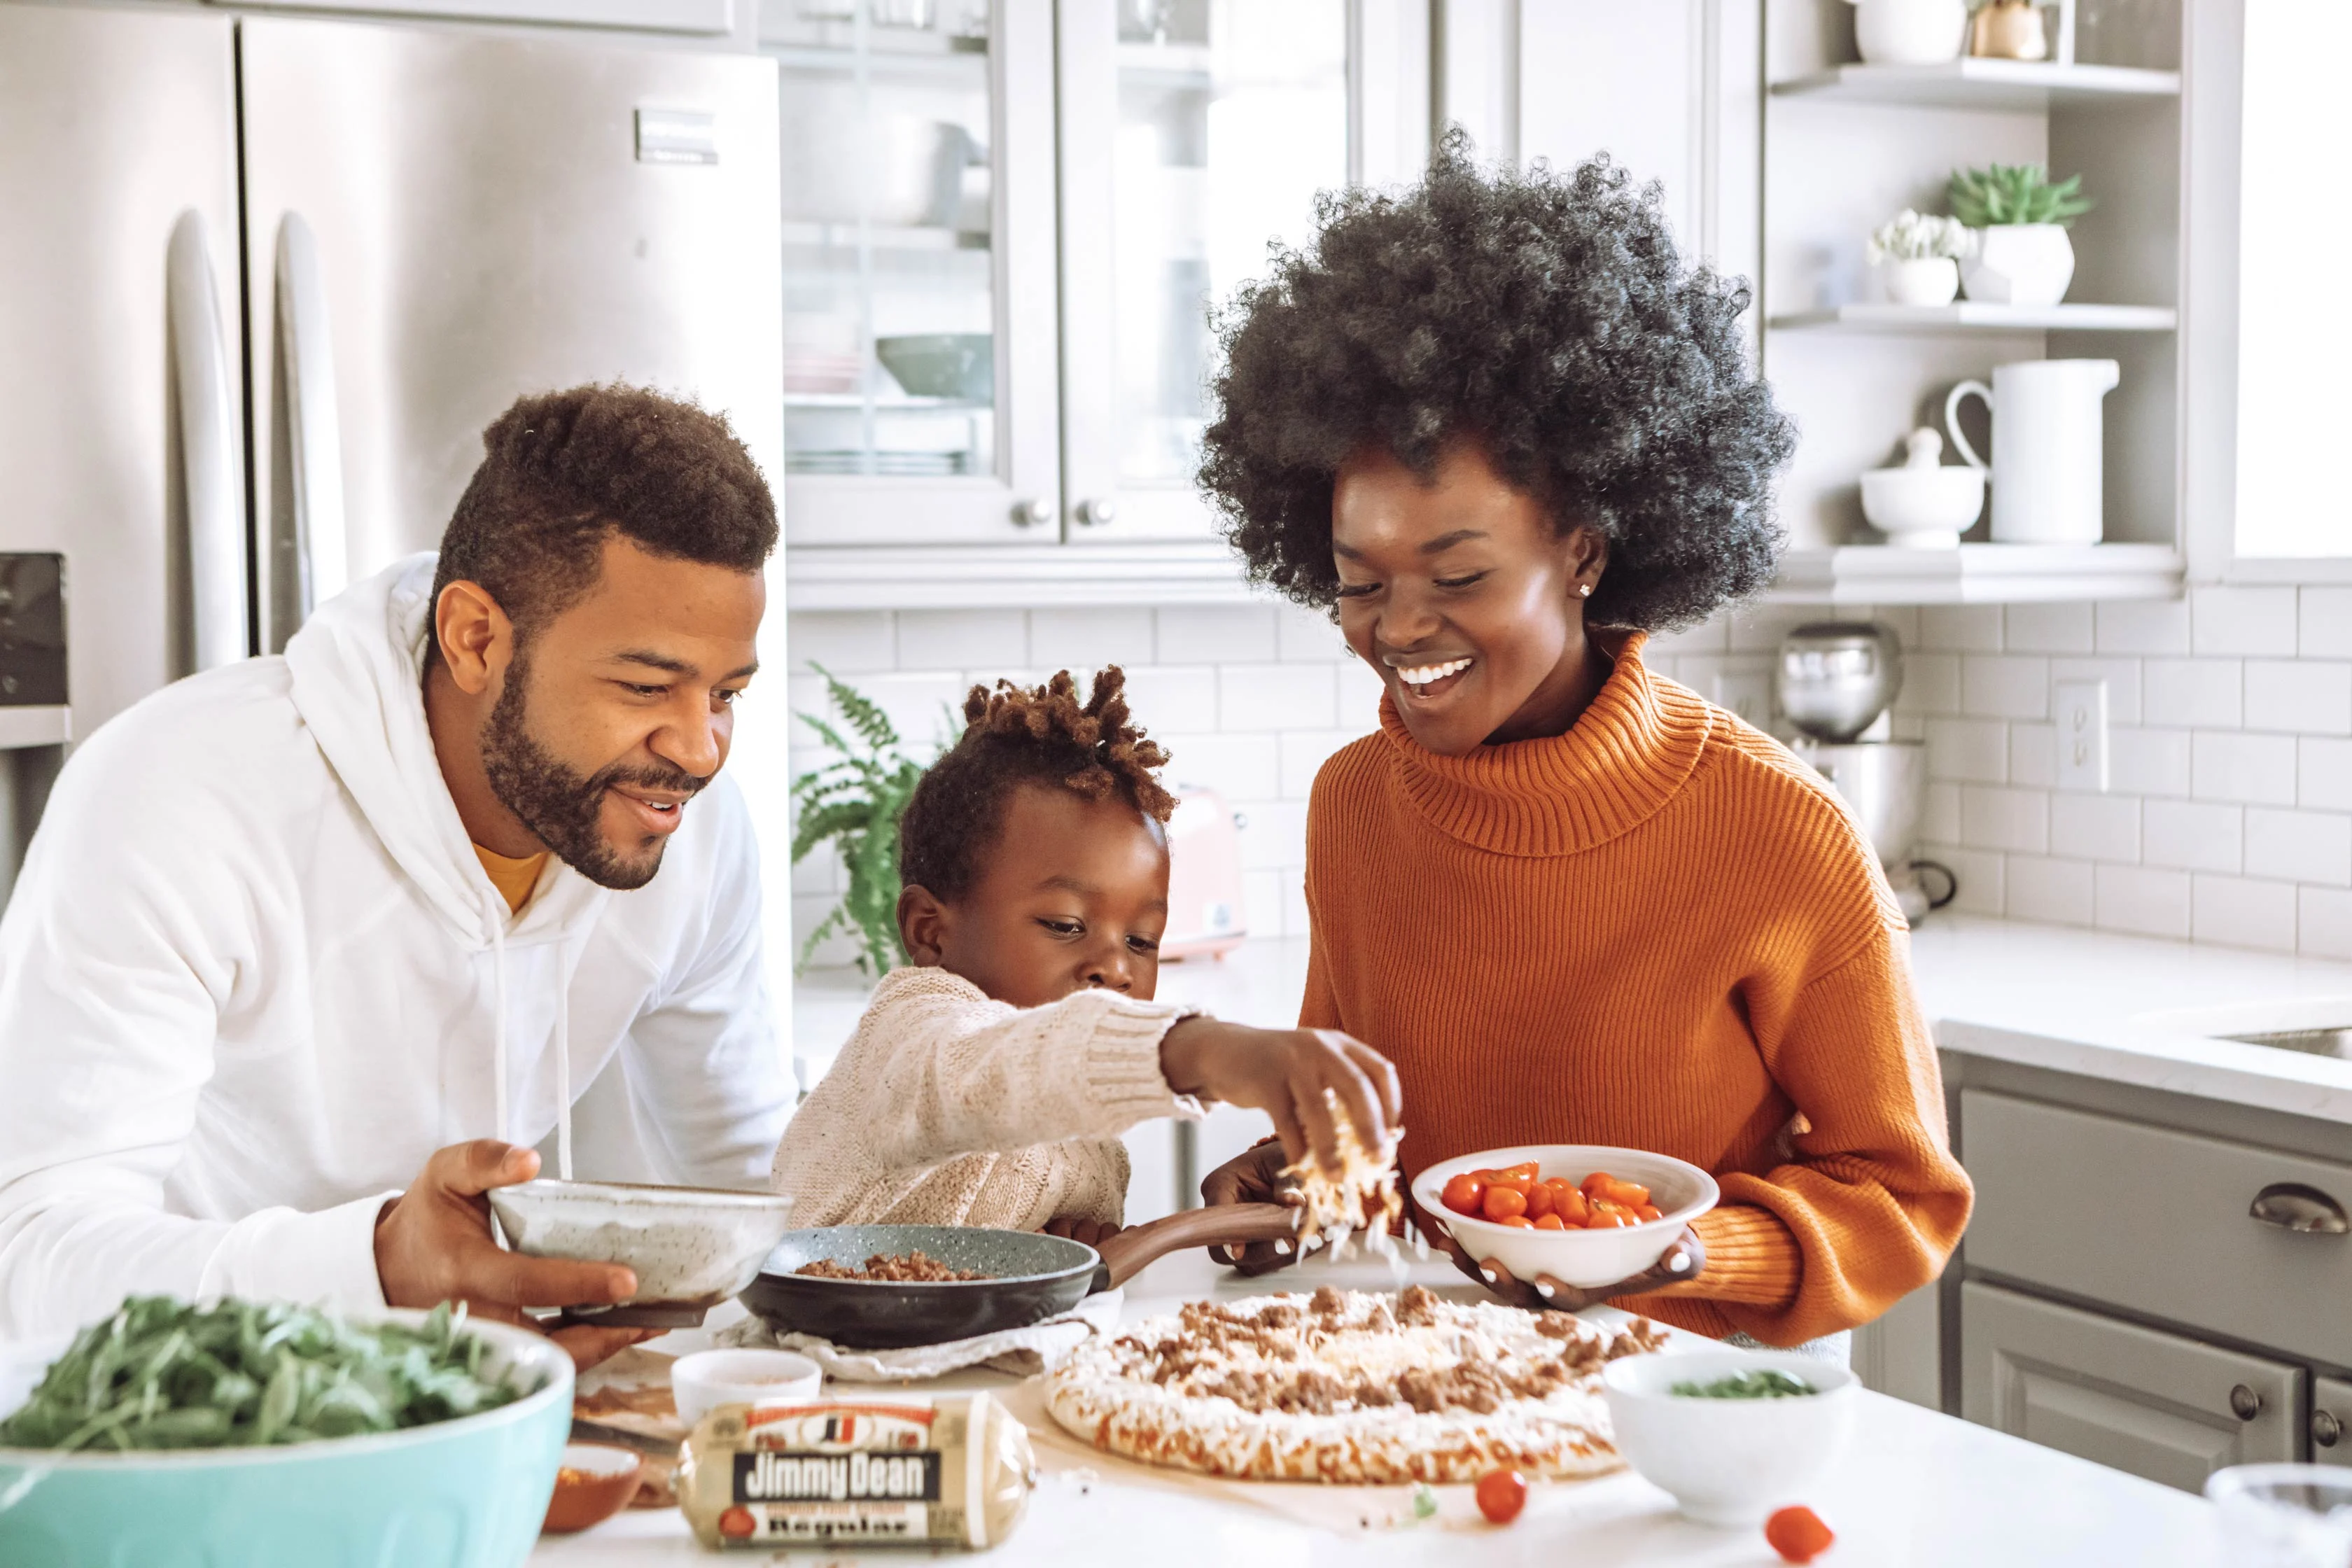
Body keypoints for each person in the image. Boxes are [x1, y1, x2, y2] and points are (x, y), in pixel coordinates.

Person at [1193, 138, 1974, 1352]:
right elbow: (1376, 1145)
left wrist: (1676, 1251)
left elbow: (1903, 1198)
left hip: (1686, 1430)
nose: (1399, 630)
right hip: (1423, 1393)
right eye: (1358, 583)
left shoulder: (1778, 830)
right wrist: (1284, 1188)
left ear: (1587, 552)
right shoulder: (1356, 804)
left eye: (1458, 574)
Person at [0, 384, 791, 1367]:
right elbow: (30, 1263)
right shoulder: (176, 795)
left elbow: (757, 1192)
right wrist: (374, 1263)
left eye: (727, 694)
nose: (700, 748)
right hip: (178, 1438)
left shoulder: (681, 833)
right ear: (475, 640)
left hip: (484, 1426)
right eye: (644, 686)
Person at [773, 668, 1399, 1261]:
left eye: (1142, 941)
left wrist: (1066, 1247)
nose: (1114, 968)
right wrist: (1203, 1051)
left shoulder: (1093, 1134)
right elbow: (988, 1072)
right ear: (930, 932)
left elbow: (1025, 1245)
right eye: (1067, 926)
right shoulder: (912, 1032)